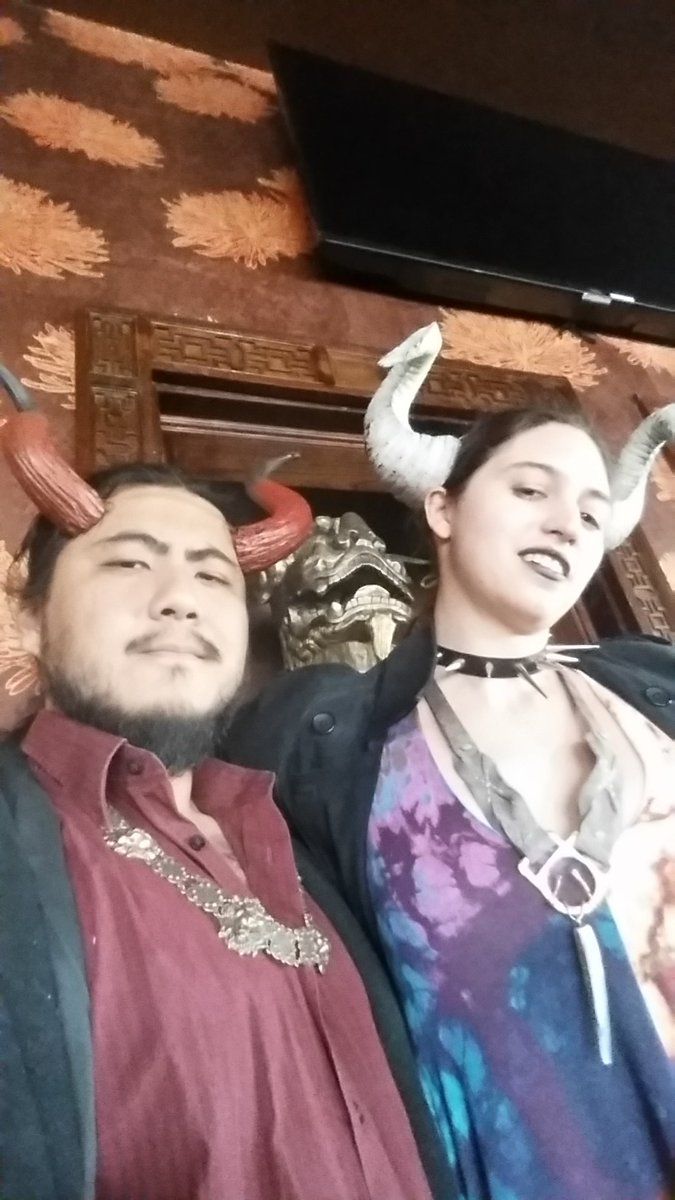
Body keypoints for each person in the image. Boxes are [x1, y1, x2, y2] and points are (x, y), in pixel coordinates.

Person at [226, 325, 675, 1200]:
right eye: (530, 489)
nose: (565, 523)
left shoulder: (656, 683)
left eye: (592, 513)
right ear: (442, 508)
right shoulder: (326, 736)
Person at [0, 367, 438, 1200]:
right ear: (30, 616)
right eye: (129, 563)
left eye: (212, 576)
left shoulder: (306, 842)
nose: (180, 600)